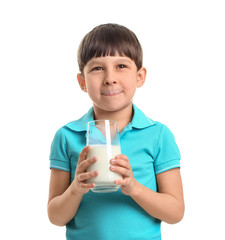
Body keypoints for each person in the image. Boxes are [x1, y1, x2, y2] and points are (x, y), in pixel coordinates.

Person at [48, 23, 184, 240]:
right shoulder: (67, 136)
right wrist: (76, 189)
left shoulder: (158, 135)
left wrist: (133, 187)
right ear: (82, 82)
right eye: (97, 68)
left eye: (121, 66)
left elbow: (175, 212)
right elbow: (56, 217)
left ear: (140, 76)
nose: (110, 77)